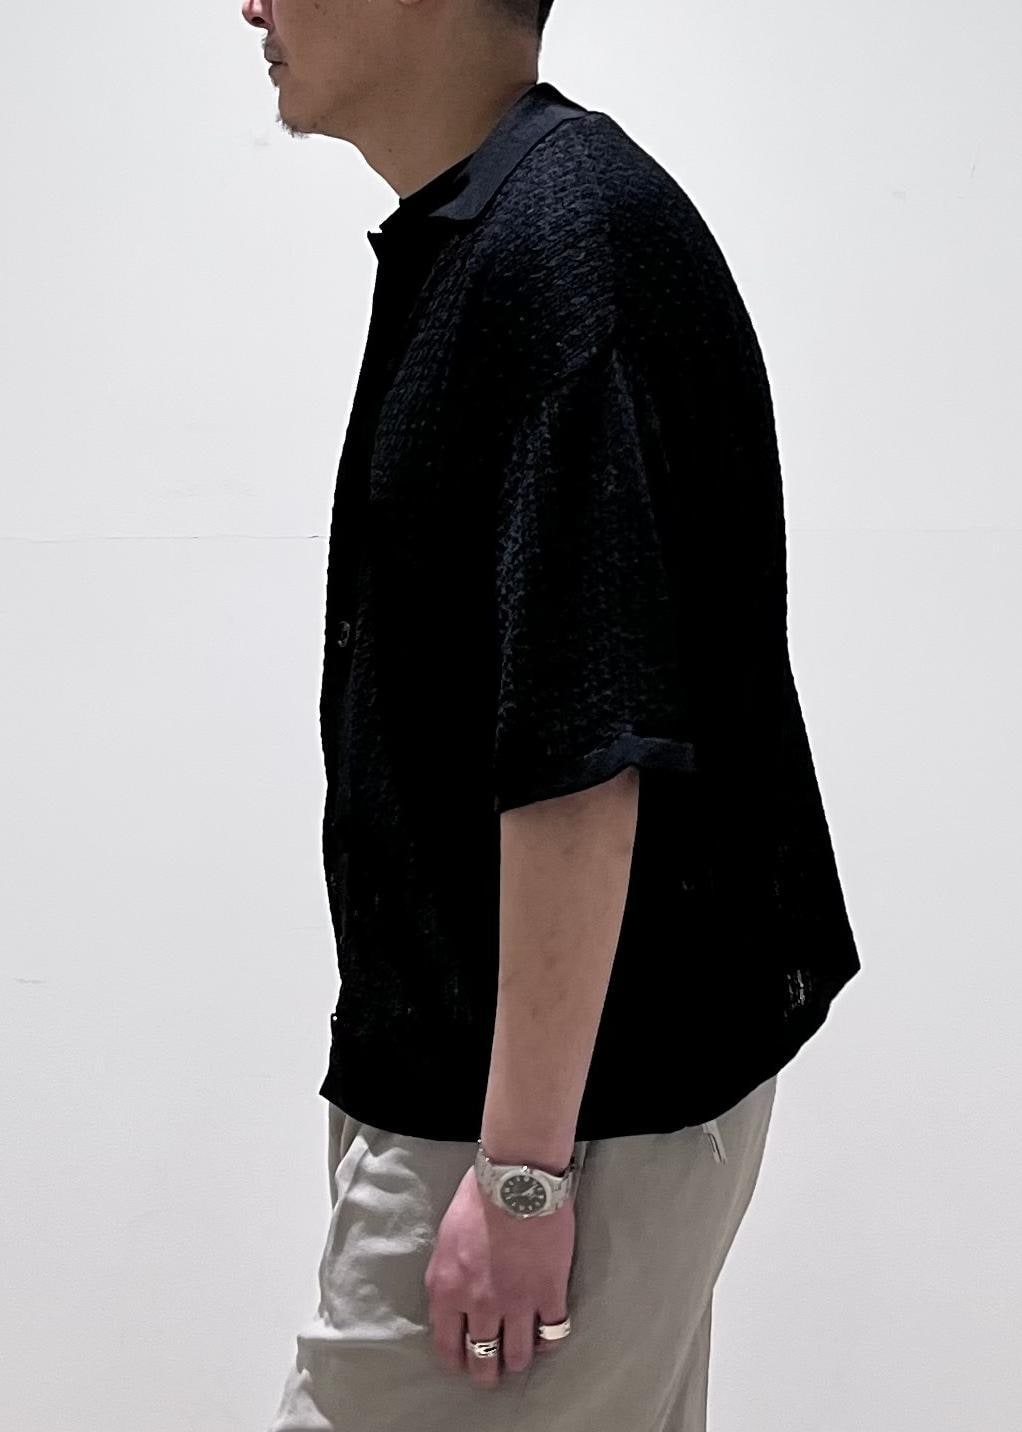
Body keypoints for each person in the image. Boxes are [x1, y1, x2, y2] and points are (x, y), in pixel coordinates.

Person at [240, 2, 862, 1428]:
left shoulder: (561, 246)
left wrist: (521, 1174)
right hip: (542, 1109)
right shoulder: (502, 230)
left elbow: (586, 749)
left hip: (550, 1131)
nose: (250, 4)